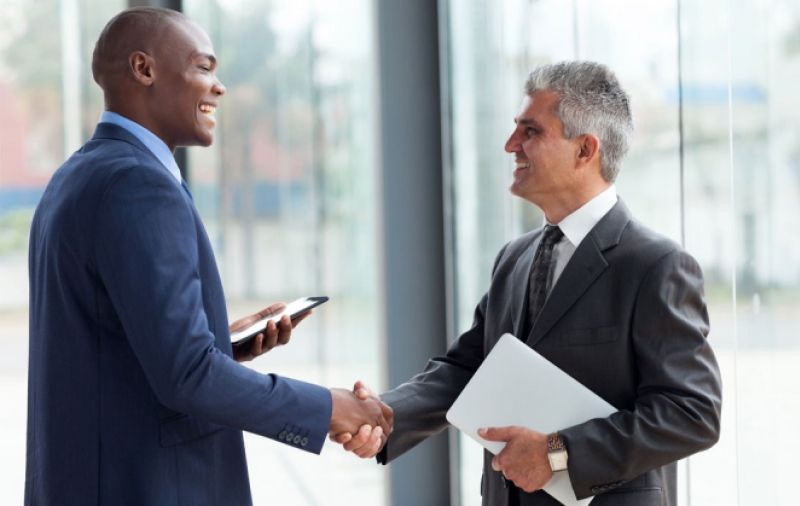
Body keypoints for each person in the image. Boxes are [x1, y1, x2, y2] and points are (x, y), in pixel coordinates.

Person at [25, 7, 390, 505]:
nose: (218, 87)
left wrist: (223, 343)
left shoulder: (78, 175)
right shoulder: (139, 184)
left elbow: (113, 346)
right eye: (203, 67)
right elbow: (188, 377)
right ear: (144, 69)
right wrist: (328, 407)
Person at [336, 61, 722, 505]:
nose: (510, 145)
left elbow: (692, 412)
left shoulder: (656, 265)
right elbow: (469, 369)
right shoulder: (514, 259)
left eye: (530, 132)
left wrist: (558, 453)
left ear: (585, 150)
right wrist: (384, 415)